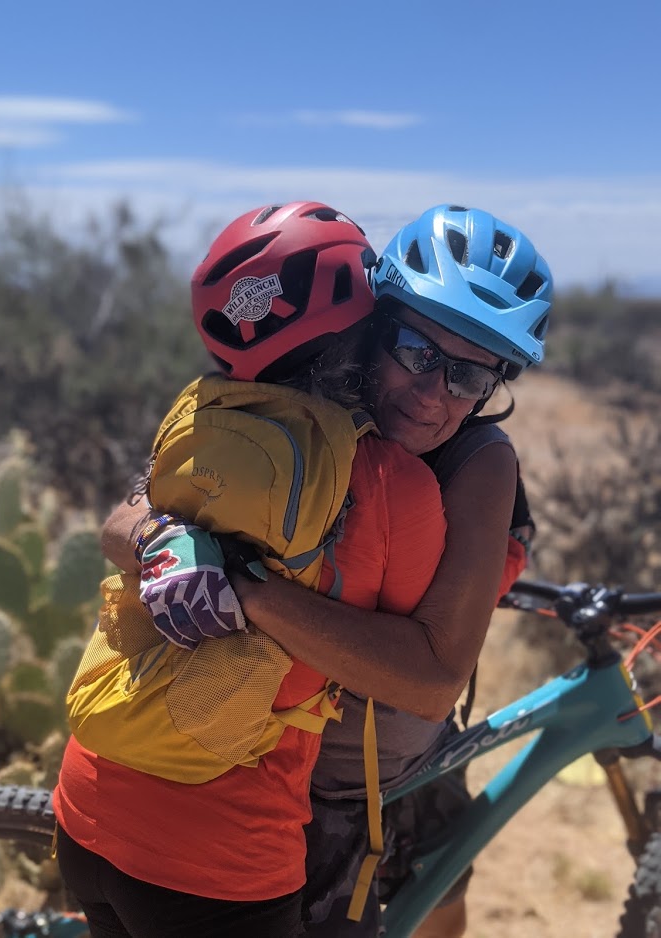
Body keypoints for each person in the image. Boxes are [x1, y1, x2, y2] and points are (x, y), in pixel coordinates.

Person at [103, 204, 552, 938]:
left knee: (442, 905)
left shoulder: (478, 459)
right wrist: (162, 536)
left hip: (409, 760)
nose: (434, 393)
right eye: (416, 350)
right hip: (283, 788)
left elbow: (432, 680)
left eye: (471, 374)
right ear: (373, 327)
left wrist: (246, 585)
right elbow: (120, 521)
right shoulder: (288, 403)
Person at [53, 201, 448, 938]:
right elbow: (413, 671)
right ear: (359, 336)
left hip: (89, 799)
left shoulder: (199, 418)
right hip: (220, 858)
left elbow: (123, 520)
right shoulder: (398, 487)